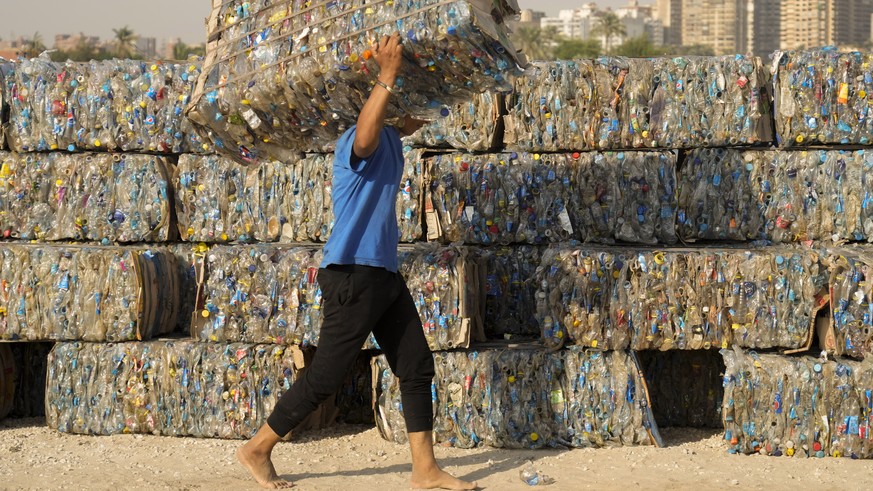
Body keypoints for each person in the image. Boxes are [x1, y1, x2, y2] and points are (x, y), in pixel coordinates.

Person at [237, 33, 478, 490]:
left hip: (382, 273)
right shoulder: (357, 139)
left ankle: (424, 469)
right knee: (326, 375)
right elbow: (365, 138)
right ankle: (257, 447)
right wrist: (386, 75)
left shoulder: (392, 140)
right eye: (405, 102)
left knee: (415, 364)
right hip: (352, 273)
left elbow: (385, 129)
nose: (413, 115)